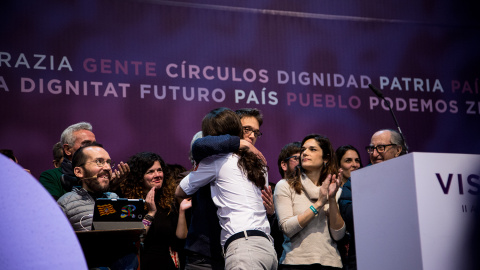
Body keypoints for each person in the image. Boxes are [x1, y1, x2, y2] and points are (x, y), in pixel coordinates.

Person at [177, 107, 277, 270]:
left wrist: (271, 212)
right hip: (206, 254)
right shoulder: (214, 156)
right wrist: (239, 142)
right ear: (233, 128)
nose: (252, 136)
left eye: (256, 132)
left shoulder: (256, 164)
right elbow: (199, 145)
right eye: (247, 130)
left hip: (240, 248)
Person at [274, 134, 345, 269]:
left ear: (326, 158)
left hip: (330, 263)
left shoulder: (335, 190)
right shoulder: (285, 186)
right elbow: (287, 228)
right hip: (295, 263)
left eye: (312, 149)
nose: (305, 153)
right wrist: (319, 204)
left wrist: (331, 198)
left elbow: (338, 235)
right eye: (303, 150)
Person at [121, 152, 191, 270]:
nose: (157, 175)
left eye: (159, 170)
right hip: (140, 264)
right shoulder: (129, 203)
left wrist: (182, 212)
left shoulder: (167, 202)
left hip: (165, 264)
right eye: (150, 172)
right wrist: (151, 213)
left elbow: (179, 241)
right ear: (139, 176)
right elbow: (137, 240)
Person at [39, 122, 129, 200]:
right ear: (67, 149)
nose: (92, 148)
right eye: (86, 144)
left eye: (94, 143)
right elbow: (54, 212)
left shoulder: (104, 176)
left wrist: (112, 186)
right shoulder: (50, 177)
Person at [57, 142, 118, 231]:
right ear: (79, 172)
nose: (108, 168)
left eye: (108, 162)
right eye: (99, 162)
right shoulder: (65, 204)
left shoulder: (115, 198)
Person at [335, 145, 362, 270]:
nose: (354, 164)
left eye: (357, 160)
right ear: (338, 166)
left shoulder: (364, 190)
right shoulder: (331, 192)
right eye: (348, 160)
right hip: (337, 253)